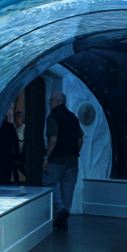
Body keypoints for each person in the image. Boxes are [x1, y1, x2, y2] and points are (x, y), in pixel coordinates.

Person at [43, 91, 83, 229]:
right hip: (72, 160)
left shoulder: (53, 117)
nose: (49, 103)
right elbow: (80, 139)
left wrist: (46, 157)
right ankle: (63, 220)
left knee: (49, 183)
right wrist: (74, 152)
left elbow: (53, 139)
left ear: (57, 101)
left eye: (51, 100)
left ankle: (61, 210)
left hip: (56, 159)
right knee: (68, 189)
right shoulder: (73, 117)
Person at [0, 110, 19, 185]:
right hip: (8, 157)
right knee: (7, 179)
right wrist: (17, 157)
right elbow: (15, 143)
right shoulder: (10, 127)